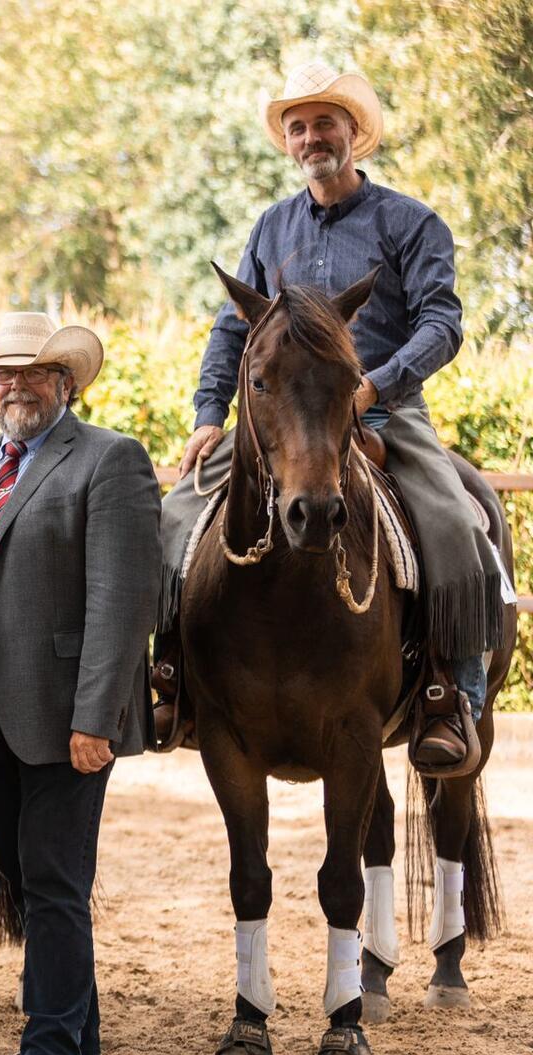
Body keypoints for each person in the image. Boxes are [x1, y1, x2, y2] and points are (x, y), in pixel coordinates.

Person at [153, 61, 503, 771]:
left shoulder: (411, 223)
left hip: (383, 408)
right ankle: (171, 683)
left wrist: (376, 385)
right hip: (279, 417)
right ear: (289, 143)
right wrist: (208, 413)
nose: (313, 137)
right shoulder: (270, 227)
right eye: (300, 127)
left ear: (354, 133)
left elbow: (442, 322)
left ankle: (448, 695)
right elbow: (232, 330)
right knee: (171, 523)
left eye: (325, 123)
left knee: (458, 524)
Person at [0, 313, 160, 1055]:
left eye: (33, 372)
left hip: (70, 716)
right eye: (2, 373)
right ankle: (78, 1040)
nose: (15, 385)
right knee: (34, 880)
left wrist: (96, 718)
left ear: (65, 382)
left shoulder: (110, 459)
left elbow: (125, 599)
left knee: (56, 882)